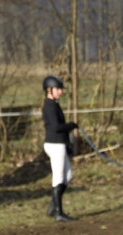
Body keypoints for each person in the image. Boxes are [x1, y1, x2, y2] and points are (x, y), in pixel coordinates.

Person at [41, 75, 77, 222]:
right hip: (55, 145)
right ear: (49, 90)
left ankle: (53, 207)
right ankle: (58, 213)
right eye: (58, 89)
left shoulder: (53, 104)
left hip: (59, 144)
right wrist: (71, 126)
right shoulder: (49, 106)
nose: (61, 92)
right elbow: (56, 127)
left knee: (68, 176)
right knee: (59, 177)